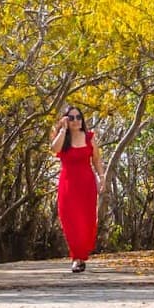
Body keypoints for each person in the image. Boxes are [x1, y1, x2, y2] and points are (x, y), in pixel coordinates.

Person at [49, 105, 102, 273]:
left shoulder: (89, 137)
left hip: (86, 184)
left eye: (78, 117)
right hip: (67, 184)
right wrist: (63, 130)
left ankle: (81, 256)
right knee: (69, 220)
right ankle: (76, 257)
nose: (75, 121)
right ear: (65, 119)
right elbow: (54, 149)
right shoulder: (61, 137)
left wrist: (102, 177)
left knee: (86, 221)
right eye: (71, 118)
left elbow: (97, 160)